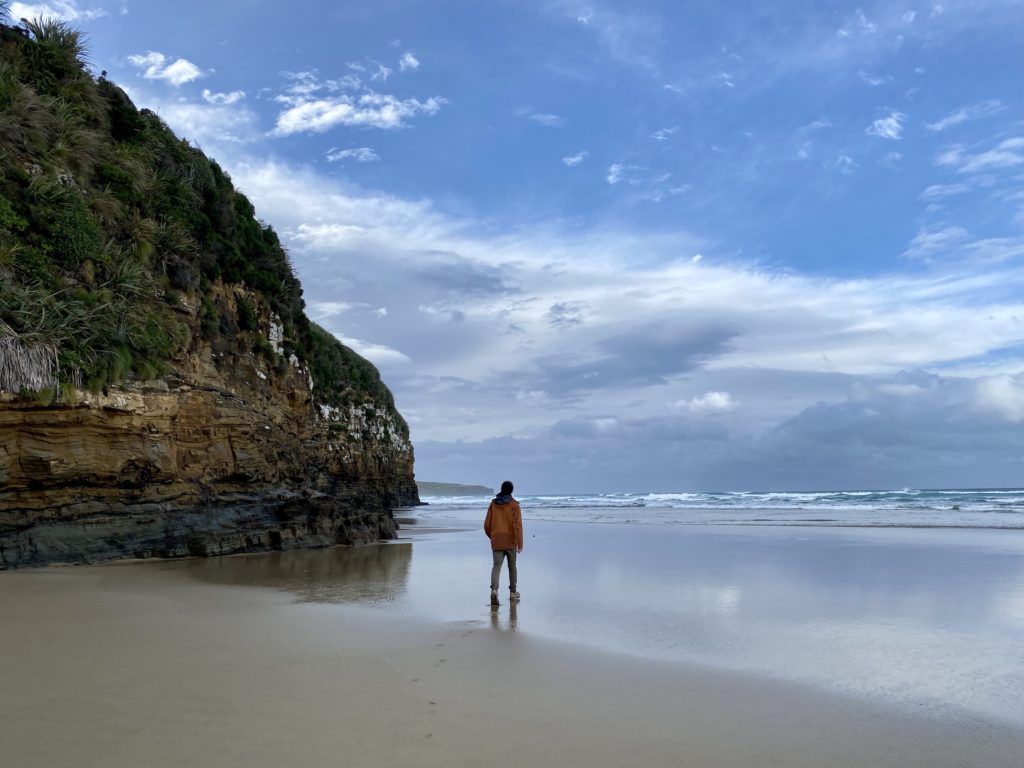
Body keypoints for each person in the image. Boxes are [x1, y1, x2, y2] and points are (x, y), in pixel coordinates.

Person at [484, 480, 523, 606]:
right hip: (510, 540)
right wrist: (520, 543)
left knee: (496, 566)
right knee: (512, 567)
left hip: (497, 540)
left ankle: (494, 590)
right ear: (511, 490)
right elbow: (517, 525)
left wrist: (493, 536)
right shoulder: (514, 505)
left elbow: (486, 525)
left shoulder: (493, 504)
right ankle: (513, 592)